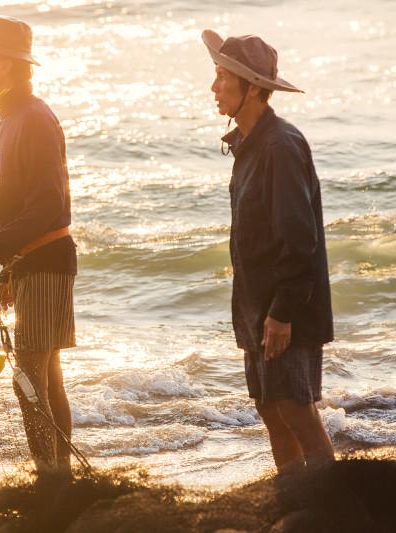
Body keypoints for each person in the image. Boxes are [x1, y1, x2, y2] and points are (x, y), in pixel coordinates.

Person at [202, 29, 335, 474]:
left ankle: (327, 510)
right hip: (258, 308)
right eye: (216, 76)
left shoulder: (280, 145)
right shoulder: (249, 143)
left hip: (285, 311)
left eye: (223, 78)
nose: (214, 87)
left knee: (294, 409)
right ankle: (295, 502)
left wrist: (282, 313)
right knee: (269, 410)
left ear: (253, 88)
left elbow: (299, 243)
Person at [0, 15, 77, 478]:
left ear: (7, 66)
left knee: (29, 378)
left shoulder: (33, 118)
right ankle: (59, 475)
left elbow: (47, 204)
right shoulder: (13, 115)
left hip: (46, 260)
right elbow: (23, 208)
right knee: (43, 377)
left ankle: (52, 480)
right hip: (31, 263)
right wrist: (6, 266)